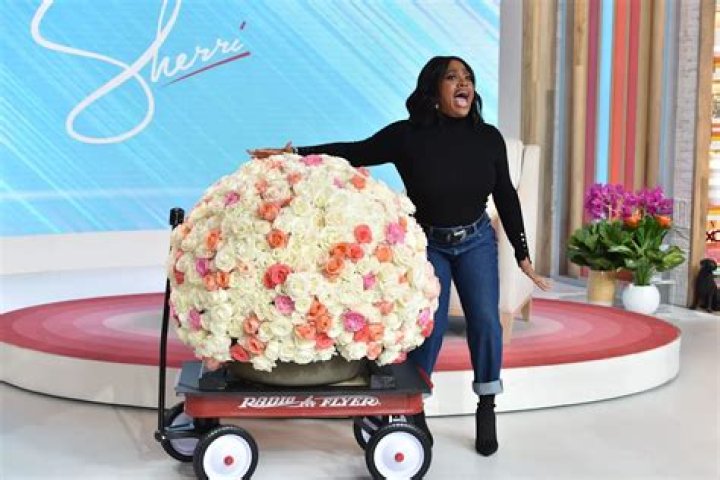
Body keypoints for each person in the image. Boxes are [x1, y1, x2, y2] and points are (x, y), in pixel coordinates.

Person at [250, 56, 552, 456]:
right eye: (452, 77)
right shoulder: (407, 136)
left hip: (476, 240)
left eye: (468, 78)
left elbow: (506, 197)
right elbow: (352, 151)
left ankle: (487, 405)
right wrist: (293, 154)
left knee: (485, 322)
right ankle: (414, 408)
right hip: (429, 243)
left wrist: (522, 254)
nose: (463, 84)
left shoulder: (487, 138)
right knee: (429, 328)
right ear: (434, 90)